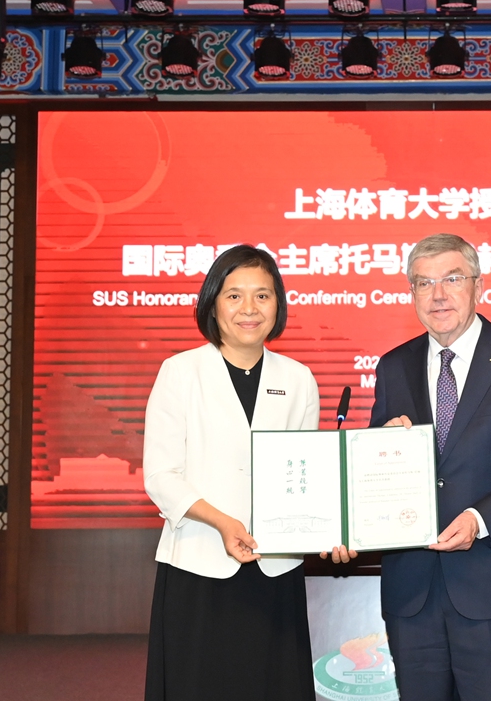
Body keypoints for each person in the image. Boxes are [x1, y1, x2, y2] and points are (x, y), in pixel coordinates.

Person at [142, 244, 350, 701]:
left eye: (263, 295)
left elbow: (305, 475)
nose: (249, 309)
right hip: (199, 565)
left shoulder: (298, 378)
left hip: (275, 568)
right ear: (212, 303)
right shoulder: (180, 372)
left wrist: (334, 525)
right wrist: (222, 521)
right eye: (234, 295)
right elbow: (160, 476)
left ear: (278, 304)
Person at [368, 233, 491, 701]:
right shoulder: (393, 366)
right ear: (411, 293)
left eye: (452, 279)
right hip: (411, 591)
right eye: (423, 283)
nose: (438, 295)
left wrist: (480, 520)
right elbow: (377, 468)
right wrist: (377, 449)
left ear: (479, 286)